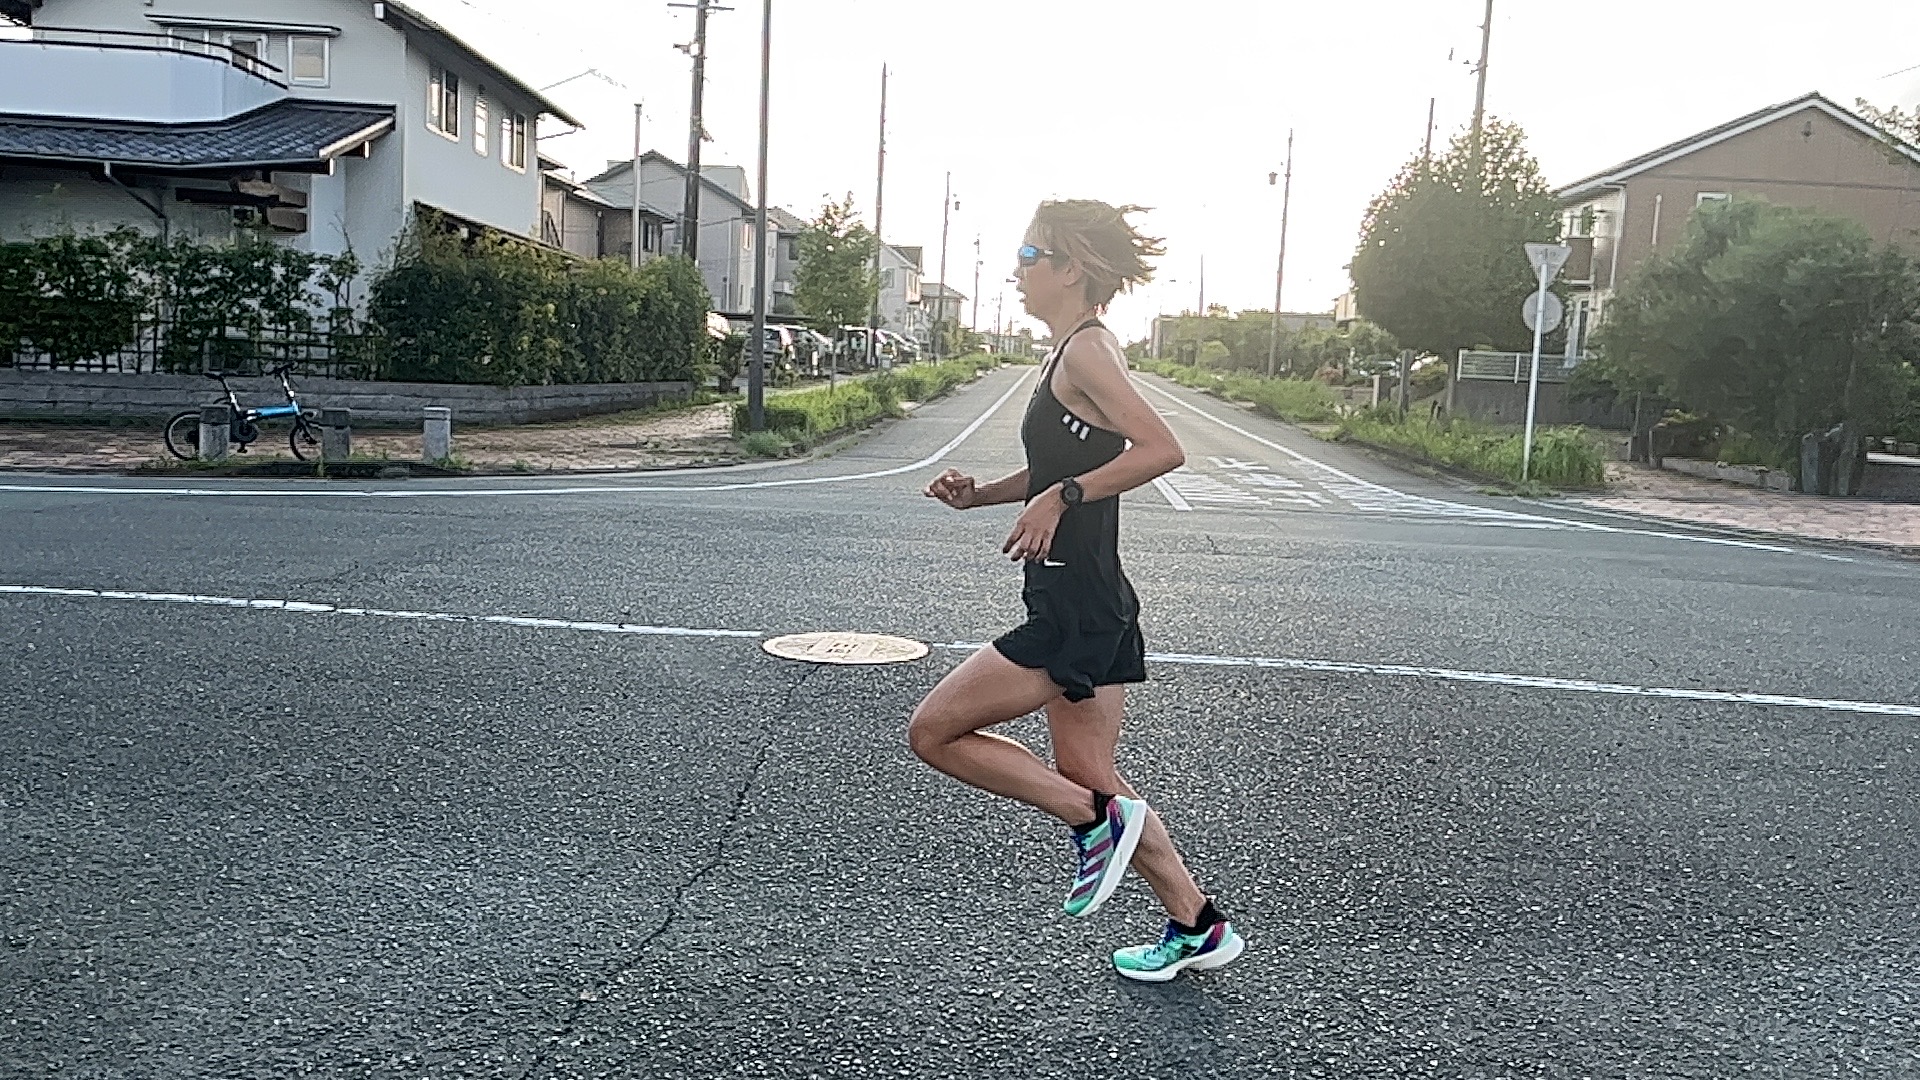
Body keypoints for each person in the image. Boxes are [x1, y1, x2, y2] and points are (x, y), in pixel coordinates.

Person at [909, 200, 1245, 982]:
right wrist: (988, 494)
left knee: (934, 732)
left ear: (1072, 268)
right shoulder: (1070, 351)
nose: (1017, 266)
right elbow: (1060, 469)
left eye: (1032, 252)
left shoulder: (1087, 353)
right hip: (1085, 595)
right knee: (1093, 772)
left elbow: (1163, 449)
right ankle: (1195, 923)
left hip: (1074, 604)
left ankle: (1092, 823)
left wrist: (1061, 501)